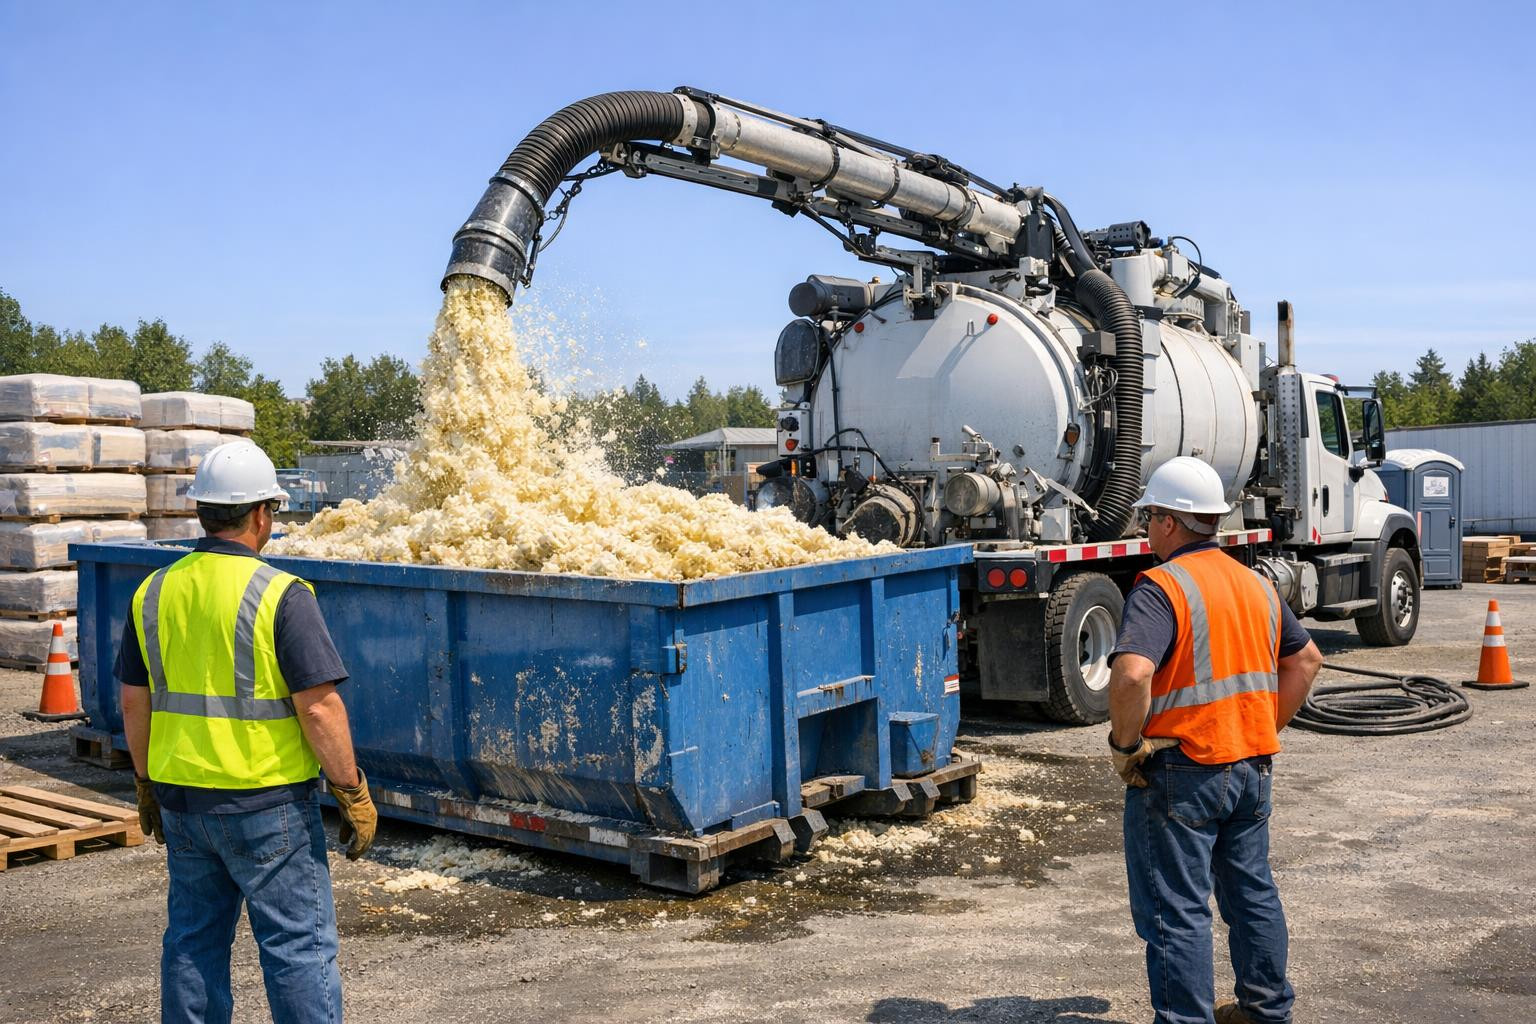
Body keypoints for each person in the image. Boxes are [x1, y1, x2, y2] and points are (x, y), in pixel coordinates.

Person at [117, 439, 378, 1024]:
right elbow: (319, 709)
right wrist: (352, 792)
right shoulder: (281, 595)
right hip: (268, 808)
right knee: (296, 951)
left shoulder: (153, 592)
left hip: (183, 802)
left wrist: (144, 784)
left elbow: (134, 702)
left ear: (202, 511)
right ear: (262, 513)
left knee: (192, 942)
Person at [1107, 457, 1323, 1024]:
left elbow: (1131, 674)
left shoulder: (1161, 587)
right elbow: (1305, 660)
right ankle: (1265, 1011)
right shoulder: (1256, 584)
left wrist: (1125, 747)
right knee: (1251, 896)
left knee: (1176, 912)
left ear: (1171, 522)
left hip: (1184, 773)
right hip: (1250, 766)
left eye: (1149, 516)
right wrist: (1260, 727)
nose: (1146, 528)